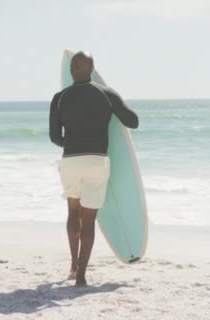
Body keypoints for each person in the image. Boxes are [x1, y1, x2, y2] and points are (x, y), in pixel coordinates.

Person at [49, 51, 139, 287]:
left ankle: (72, 266)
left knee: (72, 213)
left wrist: (74, 144)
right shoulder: (106, 94)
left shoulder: (59, 97)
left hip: (70, 161)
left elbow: (54, 137)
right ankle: (81, 278)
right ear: (92, 68)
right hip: (97, 161)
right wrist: (116, 103)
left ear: (72, 70)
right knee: (89, 220)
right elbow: (133, 121)